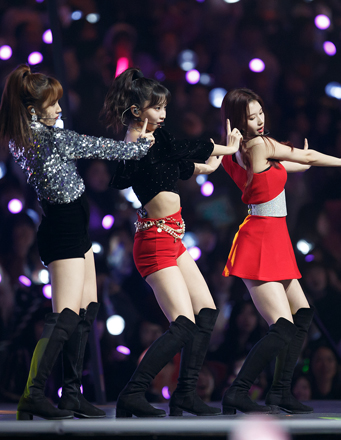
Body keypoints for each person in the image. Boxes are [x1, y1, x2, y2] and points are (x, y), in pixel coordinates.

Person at [0, 64, 154, 420]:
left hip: (74, 228)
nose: (59, 109)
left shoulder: (28, 136)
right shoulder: (48, 138)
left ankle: (71, 394)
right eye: (52, 104)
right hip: (64, 230)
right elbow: (101, 147)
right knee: (65, 316)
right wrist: (140, 144)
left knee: (86, 311)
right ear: (33, 110)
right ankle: (33, 394)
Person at [101, 67, 242, 418]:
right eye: (157, 107)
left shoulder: (159, 139)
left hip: (174, 238)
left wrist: (214, 162)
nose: (164, 113)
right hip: (153, 241)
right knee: (183, 324)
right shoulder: (135, 143)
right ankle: (133, 393)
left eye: (165, 107)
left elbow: (184, 162)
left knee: (206, 312)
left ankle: (185, 395)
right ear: (137, 110)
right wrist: (225, 146)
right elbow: (121, 178)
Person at [219, 88, 341, 414]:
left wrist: (300, 157)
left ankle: (280, 391)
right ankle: (237, 391)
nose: (259, 120)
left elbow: (297, 164)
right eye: (251, 116)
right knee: (282, 326)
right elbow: (304, 158)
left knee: (303, 314)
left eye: (260, 112)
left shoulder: (238, 151)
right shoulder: (259, 145)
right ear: (238, 120)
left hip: (275, 238)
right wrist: (340, 161)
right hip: (260, 239)